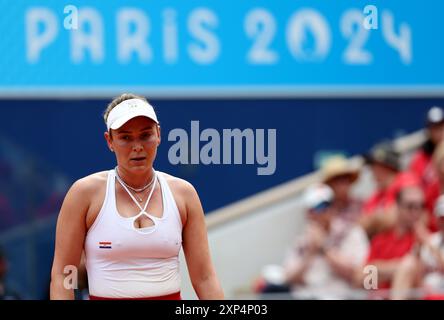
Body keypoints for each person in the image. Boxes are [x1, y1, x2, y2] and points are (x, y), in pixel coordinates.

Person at [50, 93, 224, 300]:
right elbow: (64, 275)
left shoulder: (183, 194)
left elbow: (204, 278)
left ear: (158, 134)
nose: (137, 146)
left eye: (145, 135)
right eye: (125, 137)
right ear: (110, 141)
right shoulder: (84, 194)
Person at [259, 184, 369, 299]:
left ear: (332, 207)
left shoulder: (351, 232)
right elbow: (289, 278)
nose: (316, 214)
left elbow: (356, 274)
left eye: (321, 207)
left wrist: (324, 248)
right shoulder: (302, 241)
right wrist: (310, 253)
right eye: (311, 210)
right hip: (306, 295)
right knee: (269, 291)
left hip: (338, 295)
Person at [359, 184, 427, 295]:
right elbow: (365, 280)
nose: (416, 212)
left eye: (420, 207)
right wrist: (399, 269)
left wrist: (379, 268)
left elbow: (419, 276)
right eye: (410, 206)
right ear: (397, 207)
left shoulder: (424, 239)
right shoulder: (381, 239)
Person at [391, 194, 444, 300]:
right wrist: (419, 248)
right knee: (408, 264)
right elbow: (413, 268)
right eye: (442, 218)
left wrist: (427, 242)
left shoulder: (429, 240)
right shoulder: (433, 239)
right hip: (425, 290)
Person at [409, 106, 444, 189]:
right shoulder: (420, 158)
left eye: (441, 126)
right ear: (428, 130)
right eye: (434, 127)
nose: (439, 131)